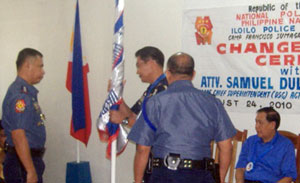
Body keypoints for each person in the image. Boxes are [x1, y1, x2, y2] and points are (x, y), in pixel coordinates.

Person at [128, 52, 236, 183]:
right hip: (201, 174)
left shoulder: (155, 102)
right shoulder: (213, 102)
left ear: (167, 73)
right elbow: (226, 147)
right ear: (193, 74)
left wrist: (137, 181)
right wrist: (221, 178)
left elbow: (143, 148)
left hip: (165, 175)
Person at [109, 46, 168, 182]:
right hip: (149, 163)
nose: (137, 71)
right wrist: (117, 95)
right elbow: (133, 115)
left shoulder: (163, 91)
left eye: (139, 66)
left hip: (159, 163)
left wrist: (122, 121)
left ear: (151, 63)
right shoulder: (151, 89)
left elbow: (149, 128)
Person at [2, 48, 46, 183]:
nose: (43, 71)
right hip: (22, 164)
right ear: (28, 65)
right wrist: (30, 170)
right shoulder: (21, 96)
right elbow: (18, 135)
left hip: (26, 160)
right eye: (40, 66)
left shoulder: (27, 93)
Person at [235, 107, 297, 183]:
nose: (256, 126)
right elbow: (240, 168)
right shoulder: (250, 141)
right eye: (256, 122)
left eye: (260, 123)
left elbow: (288, 176)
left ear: (272, 125)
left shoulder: (286, 145)